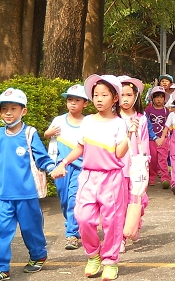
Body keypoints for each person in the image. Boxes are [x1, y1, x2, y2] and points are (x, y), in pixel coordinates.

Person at [51, 74, 129, 281]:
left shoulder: (119, 124)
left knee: (112, 222)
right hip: (88, 177)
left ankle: (110, 260)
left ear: (115, 99)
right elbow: (80, 147)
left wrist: (129, 136)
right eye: (96, 95)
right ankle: (93, 255)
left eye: (105, 95)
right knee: (83, 218)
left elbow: (120, 153)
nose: (99, 99)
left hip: (112, 178)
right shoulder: (87, 122)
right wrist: (63, 163)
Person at [0, 88, 56, 281]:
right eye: (4, 108)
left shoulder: (29, 133)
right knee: (1, 232)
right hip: (3, 194)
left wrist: (52, 168)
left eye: (13, 108)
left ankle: (38, 255)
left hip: (26, 193)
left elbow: (42, 158)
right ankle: (1, 268)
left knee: (30, 229)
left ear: (23, 111)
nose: (8, 112)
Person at [44, 83, 89, 251]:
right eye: (70, 99)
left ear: (85, 103)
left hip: (80, 168)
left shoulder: (87, 122)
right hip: (60, 168)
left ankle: (71, 233)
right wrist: (48, 134)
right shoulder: (58, 120)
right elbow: (47, 135)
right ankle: (71, 222)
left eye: (77, 100)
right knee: (64, 200)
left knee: (73, 200)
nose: (72, 103)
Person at [118, 75, 150, 251]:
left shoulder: (142, 119)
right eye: (121, 94)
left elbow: (145, 143)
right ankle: (121, 238)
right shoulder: (113, 119)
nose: (125, 98)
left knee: (139, 201)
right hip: (117, 168)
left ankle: (135, 223)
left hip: (136, 169)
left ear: (136, 96)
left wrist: (145, 162)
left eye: (129, 95)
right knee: (120, 204)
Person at [145, 86, 170, 189]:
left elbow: (168, 124)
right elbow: (145, 123)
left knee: (163, 159)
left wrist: (165, 137)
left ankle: (165, 178)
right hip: (151, 139)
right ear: (153, 99)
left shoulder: (166, 110)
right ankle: (151, 177)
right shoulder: (148, 110)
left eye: (161, 97)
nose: (159, 99)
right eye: (157, 97)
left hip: (163, 138)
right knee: (153, 159)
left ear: (164, 99)